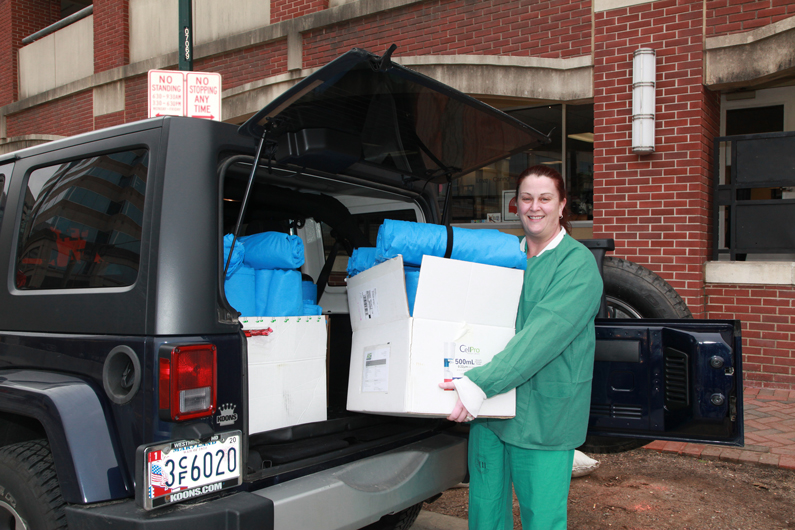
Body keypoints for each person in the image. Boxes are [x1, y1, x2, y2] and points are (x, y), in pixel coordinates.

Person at [438, 165, 603, 530]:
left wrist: (477, 383)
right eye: (526, 198)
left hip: (543, 415)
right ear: (516, 205)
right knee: (485, 514)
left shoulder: (577, 265)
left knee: (541, 519)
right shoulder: (503, 258)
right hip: (492, 413)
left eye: (545, 198)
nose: (534, 207)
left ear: (562, 206)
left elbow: (543, 336)